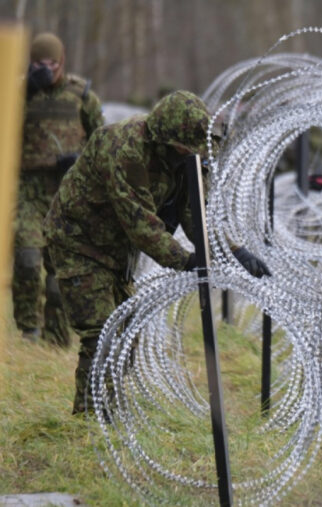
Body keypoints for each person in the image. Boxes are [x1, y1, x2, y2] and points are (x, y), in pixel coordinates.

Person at [44, 90, 270, 414]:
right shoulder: (126, 149)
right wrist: (189, 261)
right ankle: (91, 419)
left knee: (127, 335)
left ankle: (110, 407)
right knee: (101, 332)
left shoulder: (186, 160)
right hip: (78, 241)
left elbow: (198, 217)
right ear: (165, 140)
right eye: (186, 149)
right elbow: (142, 226)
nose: (193, 155)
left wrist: (235, 251)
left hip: (117, 250)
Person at [14, 32, 103, 346]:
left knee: (59, 271)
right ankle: (29, 329)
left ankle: (56, 336)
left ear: (62, 62)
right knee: (26, 258)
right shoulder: (16, 92)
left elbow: (102, 142)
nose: (46, 69)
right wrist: (23, 92)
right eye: (39, 63)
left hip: (65, 191)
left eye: (52, 63)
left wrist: (79, 161)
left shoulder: (81, 95)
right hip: (27, 190)